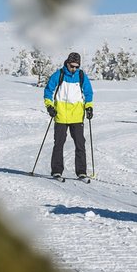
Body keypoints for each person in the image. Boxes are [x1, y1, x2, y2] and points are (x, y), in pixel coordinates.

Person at [43, 52, 94, 180]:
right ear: (67, 63)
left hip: (77, 116)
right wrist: (50, 106)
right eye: (72, 66)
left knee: (80, 144)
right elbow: (48, 91)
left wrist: (89, 107)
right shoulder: (58, 75)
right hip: (60, 115)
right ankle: (56, 171)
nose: (74, 69)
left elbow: (88, 93)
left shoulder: (81, 76)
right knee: (59, 144)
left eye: (77, 66)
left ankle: (81, 172)